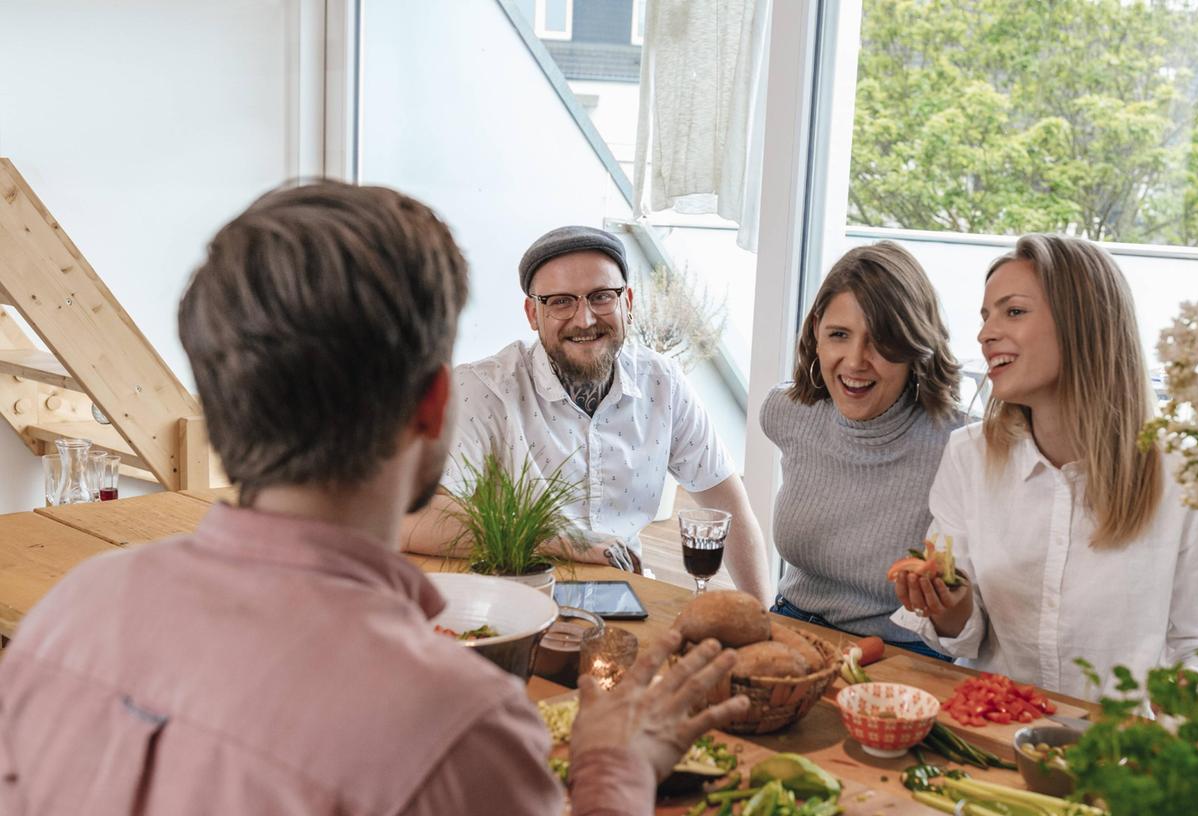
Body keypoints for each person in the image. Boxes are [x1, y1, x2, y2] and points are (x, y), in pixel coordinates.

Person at [0, 183, 748, 814]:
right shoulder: (459, 728)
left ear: (223, 404)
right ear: (434, 405)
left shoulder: (71, 614)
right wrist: (614, 773)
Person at [890, 234, 1198, 701]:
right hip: (991, 728)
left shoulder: (1187, 475)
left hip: (1121, 749)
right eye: (985, 316)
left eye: (1013, 312)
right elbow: (965, 635)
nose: (984, 334)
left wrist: (1190, 693)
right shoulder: (968, 456)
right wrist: (950, 608)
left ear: (1084, 324)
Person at [402, 225, 771, 601]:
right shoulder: (480, 391)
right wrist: (565, 542)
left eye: (601, 297)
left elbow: (730, 508)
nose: (585, 319)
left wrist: (765, 619)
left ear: (628, 302)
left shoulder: (664, 383)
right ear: (533, 313)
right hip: (515, 601)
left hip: (629, 595)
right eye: (561, 301)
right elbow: (409, 520)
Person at [762, 242, 966, 659]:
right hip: (790, 626)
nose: (855, 361)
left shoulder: (962, 445)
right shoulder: (785, 412)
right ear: (817, 331)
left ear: (914, 345)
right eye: (839, 335)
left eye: (881, 342)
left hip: (907, 653)